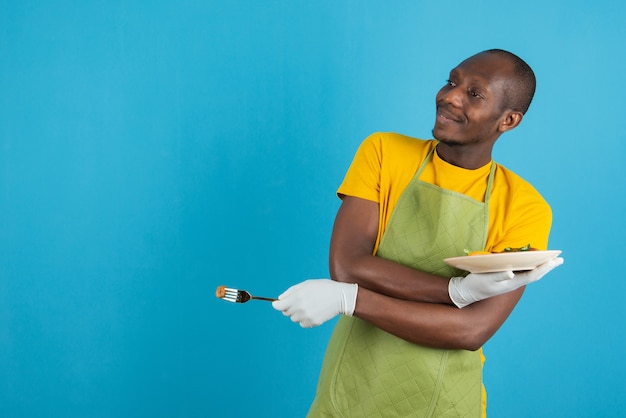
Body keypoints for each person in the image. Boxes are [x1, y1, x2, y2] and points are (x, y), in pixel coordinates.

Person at [272, 49, 564, 417]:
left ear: (508, 120)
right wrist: (455, 292)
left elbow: (470, 331)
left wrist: (351, 300)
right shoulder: (384, 152)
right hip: (349, 389)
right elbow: (348, 265)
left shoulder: (524, 206)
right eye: (452, 80)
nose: (450, 96)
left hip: (444, 400)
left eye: (474, 94)